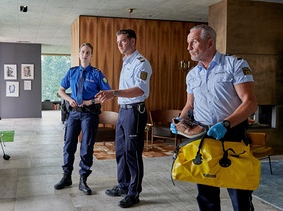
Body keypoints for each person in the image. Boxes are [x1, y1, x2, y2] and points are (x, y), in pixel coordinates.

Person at [170, 24, 258, 210]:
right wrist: (180, 120)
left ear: (209, 43)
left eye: (193, 42)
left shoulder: (235, 65)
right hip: (204, 138)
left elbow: (250, 103)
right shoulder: (192, 74)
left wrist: (226, 124)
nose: (188, 47)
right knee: (206, 196)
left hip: (232, 135)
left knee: (240, 195)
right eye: (188, 43)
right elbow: (189, 105)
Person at [96, 29, 152, 208]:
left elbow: (140, 90)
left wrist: (114, 92)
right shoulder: (126, 62)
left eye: (123, 41)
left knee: (132, 153)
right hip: (123, 111)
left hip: (135, 111)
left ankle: (134, 193)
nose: (119, 44)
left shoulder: (141, 63)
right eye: (118, 41)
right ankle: (123, 185)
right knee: (120, 150)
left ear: (133, 41)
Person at [55, 42, 111, 195]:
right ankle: (66, 177)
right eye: (82, 52)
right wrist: (68, 98)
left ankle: (83, 180)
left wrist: (90, 101)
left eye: (88, 52)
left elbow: (106, 94)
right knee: (69, 145)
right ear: (79, 54)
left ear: (91, 55)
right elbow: (60, 90)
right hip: (73, 113)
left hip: (89, 114)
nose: (85, 55)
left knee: (86, 147)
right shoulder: (72, 72)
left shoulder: (96, 74)